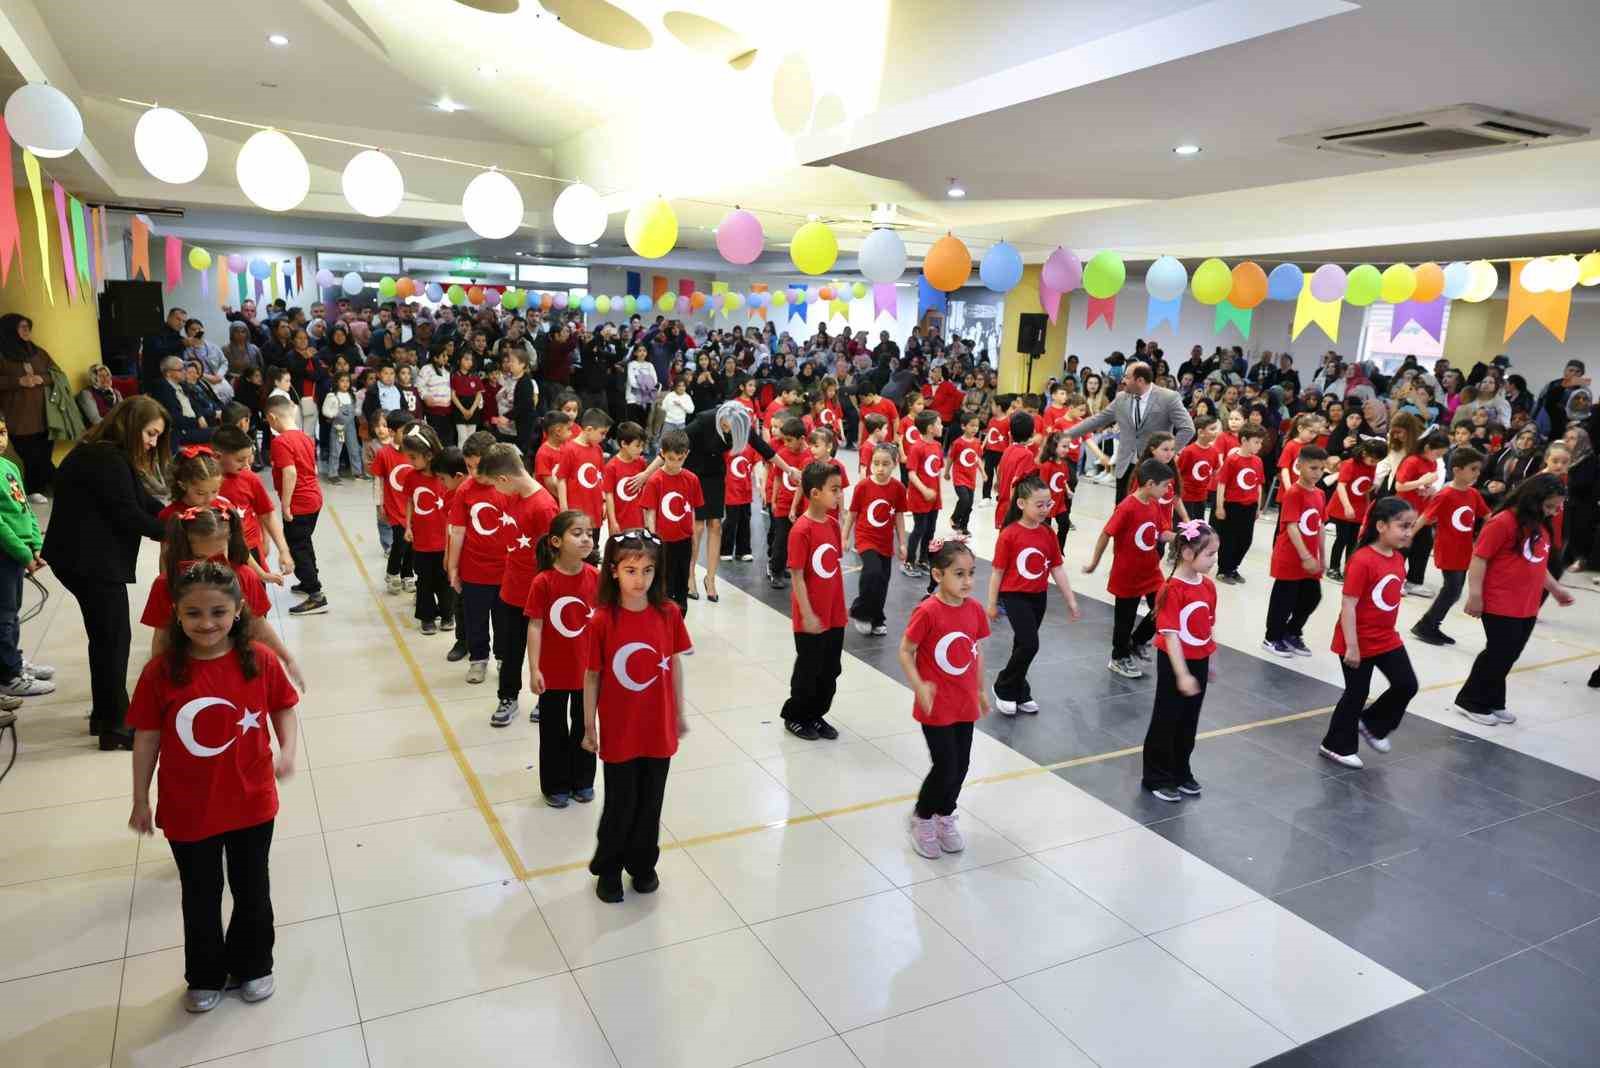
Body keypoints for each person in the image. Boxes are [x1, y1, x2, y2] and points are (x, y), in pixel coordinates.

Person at [127, 561, 300, 1013]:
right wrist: (140, 799)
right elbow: (146, 737)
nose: (207, 624)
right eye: (194, 614)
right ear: (177, 617)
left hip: (251, 801)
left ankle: (254, 963)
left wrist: (287, 751)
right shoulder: (160, 673)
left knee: (252, 889)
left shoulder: (259, 660)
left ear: (239, 611)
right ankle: (204, 973)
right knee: (199, 894)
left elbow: (283, 707)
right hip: (189, 808)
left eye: (219, 612)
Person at [42, 397, 169, 748]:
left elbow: (142, 502)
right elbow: (129, 513)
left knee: (106, 638)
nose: (152, 442)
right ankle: (116, 724)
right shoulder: (105, 458)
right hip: (89, 561)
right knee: (113, 639)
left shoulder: (106, 452)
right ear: (131, 425)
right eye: (150, 433)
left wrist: (177, 514)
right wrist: (176, 530)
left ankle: (106, 716)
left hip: (84, 558)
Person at [583, 528, 691, 903]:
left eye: (647, 570)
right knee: (621, 802)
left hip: (658, 728)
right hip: (620, 730)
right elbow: (592, 676)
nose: (639, 579)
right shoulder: (601, 620)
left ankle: (643, 864)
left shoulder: (668, 613)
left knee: (651, 801)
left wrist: (680, 713)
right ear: (613, 571)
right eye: (631, 570)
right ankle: (609, 866)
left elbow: (674, 664)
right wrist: (588, 726)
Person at [1455, 474, 1575, 725]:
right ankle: (1471, 701)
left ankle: (1494, 700)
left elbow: (1538, 563)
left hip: (1527, 605)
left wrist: (1555, 590)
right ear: (1534, 499)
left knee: (1510, 654)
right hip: (1500, 602)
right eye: (1550, 506)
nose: (1554, 512)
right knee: (1498, 653)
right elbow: (1479, 558)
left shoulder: (1540, 525)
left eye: (1557, 507)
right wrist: (1475, 595)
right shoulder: (1503, 522)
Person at [900, 539, 989, 858]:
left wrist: (980, 689)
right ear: (938, 575)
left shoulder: (975, 610)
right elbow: (906, 651)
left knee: (961, 765)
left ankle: (944, 814)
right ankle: (922, 817)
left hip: (964, 702)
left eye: (971, 573)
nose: (967, 581)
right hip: (936, 705)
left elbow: (976, 652)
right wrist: (919, 685)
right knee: (946, 765)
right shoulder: (927, 612)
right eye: (959, 574)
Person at [1320, 497, 1420, 769]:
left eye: (1411, 526)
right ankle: (1335, 745)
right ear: (1381, 526)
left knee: (1407, 684)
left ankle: (1373, 725)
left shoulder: (1399, 558)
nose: (1408, 532)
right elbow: (1349, 605)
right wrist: (1352, 646)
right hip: (1357, 640)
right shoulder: (1362, 560)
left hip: (1386, 638)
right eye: (1403, 526)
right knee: (1356, 693)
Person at [989, 475, 1082, 714]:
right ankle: (1004, 686)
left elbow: (1056, 567)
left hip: (1038, 596)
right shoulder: (1009, 534)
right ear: (1021, 504)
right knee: (1030, 644)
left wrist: (1070, 599)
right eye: (1039, 505)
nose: (1044, 509)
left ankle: (1020, 690)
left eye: (1048, 504)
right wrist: (992, 603)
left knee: (1022, 645)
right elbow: (997, 572)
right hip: (1014, 596)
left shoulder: (1048, 533)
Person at [481, 444, 559, 727]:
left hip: (538, 594)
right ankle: (508, 696)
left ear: (503, 479)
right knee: (510, 647)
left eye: (493, 485)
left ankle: (544, 696)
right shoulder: (512, 497)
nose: (495, 491)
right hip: (511, 589)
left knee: (545, 649)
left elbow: (555, 558)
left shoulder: (544, 506)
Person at [526, 510, 599, 805]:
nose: (585, 539)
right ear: (556, 541)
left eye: (590, 534)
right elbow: (535, 624)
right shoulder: (543, 582)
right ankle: (555, 785)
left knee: (585, 725)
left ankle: (582, 779)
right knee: (553, 729)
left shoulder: (596, 577)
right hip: (553, 671)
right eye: (577, 533)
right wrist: (533, 669)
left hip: (587, 672)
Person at [1143, 519, 1219, 802]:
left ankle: (1180, 769)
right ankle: (1155, 775)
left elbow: (1207, 625)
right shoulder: (1172, 589)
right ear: (1188, 554)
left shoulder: (1209, 587)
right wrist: (1182, 674)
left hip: (1199, 659)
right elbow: (1171, 636)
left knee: (1189, 720)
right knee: (1166, 719)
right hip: (1175, 663)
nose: (1214, 559)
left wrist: (1211, 660)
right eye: (1209, 554)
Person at [1086, 459, 1176, 679]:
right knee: (1123, 620)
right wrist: (1094, 563)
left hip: (1151, 571)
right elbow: (1106, 534)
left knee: (1165, 605)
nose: (1167, 491)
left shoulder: (1154, 504)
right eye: (1164, 486)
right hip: (1128, 574)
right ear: (1150, 484)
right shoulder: (1127, 506)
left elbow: (1161, 533)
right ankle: (1118, 657)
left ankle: (1136, 642)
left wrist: (1181, 538)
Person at [780, 462, 848, 741]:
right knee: (809, 669)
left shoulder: (831, 524)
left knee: (831, 669)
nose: (839, 495)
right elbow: (797, 576)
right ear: (816, 493)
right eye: (834, 490)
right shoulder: (801, 530)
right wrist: (807, 614)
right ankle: (795, 714)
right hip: (810, 616)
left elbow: (833, 568)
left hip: (834, 614)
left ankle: (816, 713)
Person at [1061, 361, 1196, 501]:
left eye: (1126, 377)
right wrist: (1065, 435)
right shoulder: (1121, 398)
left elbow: (1187, 429)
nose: (1122, 380)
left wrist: (1168, 453)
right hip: (1125, 466)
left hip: (1154, 467)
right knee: (1122, 510)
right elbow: (1097, 420)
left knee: (1147, 514)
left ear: (1140, 380)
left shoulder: (1168, 397)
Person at [449, 431, 512, 696]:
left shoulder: (507, 487)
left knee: (503, 620)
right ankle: (478, 659)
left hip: (505, 571)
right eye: (469, 466)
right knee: (475, 618)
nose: (474, 472)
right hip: (474, 571)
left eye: (479, 466)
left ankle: (502, 657)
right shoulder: (465, 490)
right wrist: (453, 566)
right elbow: (458, 531)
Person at [1412, 446, 1489, 646]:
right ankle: (1426, 625)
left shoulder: (1473, 494)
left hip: (1465, 550)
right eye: (1473, 469)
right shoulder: (1445, 494)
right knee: (1452, 590)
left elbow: (1488, 516)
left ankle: (1430, 625)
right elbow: (1425, 517)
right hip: (1448, 549)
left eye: (1478, 469)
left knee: (1453, 591)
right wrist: (1407, 536)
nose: (1477, 473)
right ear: (1456, 470)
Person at [0, 414, 52, 698]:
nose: (1, 439)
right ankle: (8, 675)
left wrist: (34, 545)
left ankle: (14, 662)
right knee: (4, 616)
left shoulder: (9, 465)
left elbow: (24, 510)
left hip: (18, 553)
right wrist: (23, 552)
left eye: (3, 431)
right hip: (5, 554)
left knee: (13, 613)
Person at [263, 396, 327, 616]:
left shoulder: (280, 442)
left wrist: (286, 504)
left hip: (299, 503)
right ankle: (309, 583)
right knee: (304, 543)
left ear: (272, 417)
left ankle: (316, 595)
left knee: (298, 548)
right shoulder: (306, 437)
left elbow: (289, 472)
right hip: (314, 499)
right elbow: (314, 469)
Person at [1262, 445, 1328, 657]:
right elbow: (1291, 526)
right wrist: (1305, 556)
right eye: (1313, 468)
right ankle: (1271, 638)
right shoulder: (1293, 493)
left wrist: (1322, 556)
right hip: (1291, 556)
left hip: (1310, 558)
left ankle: (1292, 631)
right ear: (1299, 466)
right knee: (1284, 600)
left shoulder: (1320, 494)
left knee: (1312, 596)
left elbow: (1319, 526)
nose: (1317, 473)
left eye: (1321, 469)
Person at [403, 434, 465, 636]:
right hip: (421, 543)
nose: (410, 462)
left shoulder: (444, 478)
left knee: (444, 582)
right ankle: (427, 617)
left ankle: (447, 615)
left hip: (442, 543)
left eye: (413, 457)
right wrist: (408, 527)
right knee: (424, 581)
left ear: (428, 455)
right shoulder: (411, 477)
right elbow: (410, 502)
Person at [845, 443, 908, 637]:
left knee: (882, 581)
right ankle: (860, 611)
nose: (880, 468)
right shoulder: (863, 486)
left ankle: (877, 617)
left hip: (885, 541)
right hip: (865, 538)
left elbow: (898, 516)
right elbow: (853, 513)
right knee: (872, 572)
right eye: (876, 463)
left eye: (885, 464)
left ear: (895, 465)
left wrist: (903, 543)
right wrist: (845, 535)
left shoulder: (898, 488)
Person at [641, 429, 704, 617]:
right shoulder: (655, 481)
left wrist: (693, 536)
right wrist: (653, 540)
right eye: (670, 458)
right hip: (663, 542)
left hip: (683, 540)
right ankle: (662, 625)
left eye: (680, 459)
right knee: (664, 587)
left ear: (686, 455)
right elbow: (650, 513)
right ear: (662, 454)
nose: (675, 463)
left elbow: (691, 509)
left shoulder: (691, 479)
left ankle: (679, 624)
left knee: (681, 585)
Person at [1214, 425, 1266, 583]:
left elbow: (1258, 485)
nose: (1259, 446)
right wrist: (1219, 506)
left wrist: (1258, 507)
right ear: (1244, 440)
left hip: (1250, 507)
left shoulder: (1258, 461)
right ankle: (1223, 570)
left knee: (1246, 540)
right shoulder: (1232, 460)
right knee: (1229, 539)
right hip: (1233, 505)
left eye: (1261, 442)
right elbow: (1221, 484)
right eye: (1256, 442)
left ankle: (1233, 567)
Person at [1326, 438, 1384, 580]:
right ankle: (1333, 567)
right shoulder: (1349, 464)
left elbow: (1366, 488)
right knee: (1342, 538)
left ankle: (1349, 567)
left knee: (1353, 540)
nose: (1374, 463)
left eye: (1377, 460)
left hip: (1359, 507)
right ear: (1364, 453)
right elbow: (1341, 486)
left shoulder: (1373, 467)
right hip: (1344, 505)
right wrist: (1347, 506)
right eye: (1372, 459)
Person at [904, 409, 944, 575]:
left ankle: (924, 559)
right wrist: (925, 490)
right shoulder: (917, 448)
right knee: (919, 529)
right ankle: (909, 561)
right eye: (939, 424)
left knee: (931, 529)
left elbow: (937, 469)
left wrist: (936, 491)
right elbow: (911, 473)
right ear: (930, 428)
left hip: (934, 497)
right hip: (920, 496)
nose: (942, 427)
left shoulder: (937, 445)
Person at [947, 413, 982, 536]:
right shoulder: (958, 443)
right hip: (959, 477)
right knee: (964, 499)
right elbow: (951, 458)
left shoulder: (977, 442)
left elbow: (977, 459)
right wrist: (946, 472)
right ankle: (955, 518)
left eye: (977, 426)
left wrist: (983, 473)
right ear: (963, 426)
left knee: (969, 504)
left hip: (971, 478)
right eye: (972, 426)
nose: (975, 429)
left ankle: (963, 527)